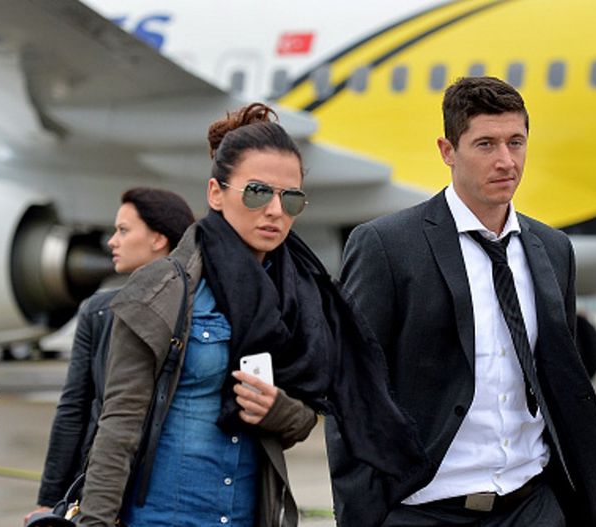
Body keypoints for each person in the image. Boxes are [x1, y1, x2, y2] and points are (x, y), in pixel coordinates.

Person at [76, 103, 426, 527]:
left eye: (290, 198)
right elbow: (118, 426)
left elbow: (304, 418)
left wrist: (277, 410)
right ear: (215, 193)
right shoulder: (163, 289)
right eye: (258, 192)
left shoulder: (303, 300)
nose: (275, 210)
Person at [337, 77, 596, 526]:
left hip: (531, 506)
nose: (506, 160)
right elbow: (350, 389)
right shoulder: (387, 247)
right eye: (485, 144)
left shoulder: (553, 250)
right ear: (447, 150)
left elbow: (561, 382)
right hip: (424, 511)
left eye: (516, 142)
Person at [26, 188, 195, 522]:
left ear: (158, 238)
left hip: (174, 487)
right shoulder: (97, 311)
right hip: (105, 487)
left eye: (123, 230)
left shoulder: (199, 312)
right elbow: (74, 408)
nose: (111, 242)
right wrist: (50, 499)